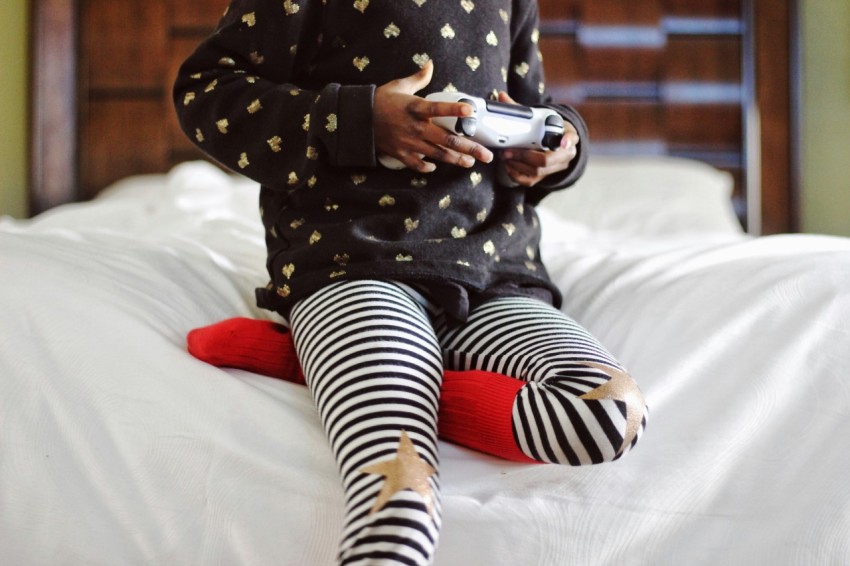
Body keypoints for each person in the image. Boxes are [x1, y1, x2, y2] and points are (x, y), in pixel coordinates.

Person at [174, 1, 648, 564]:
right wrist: (359, 120)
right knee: (401, 504)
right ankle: (358, 357)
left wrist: (559, 148)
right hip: (354, 264)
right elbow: (206, 95)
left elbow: (529, 108)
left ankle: (315, 364)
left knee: (608, 415)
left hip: (495, 273)